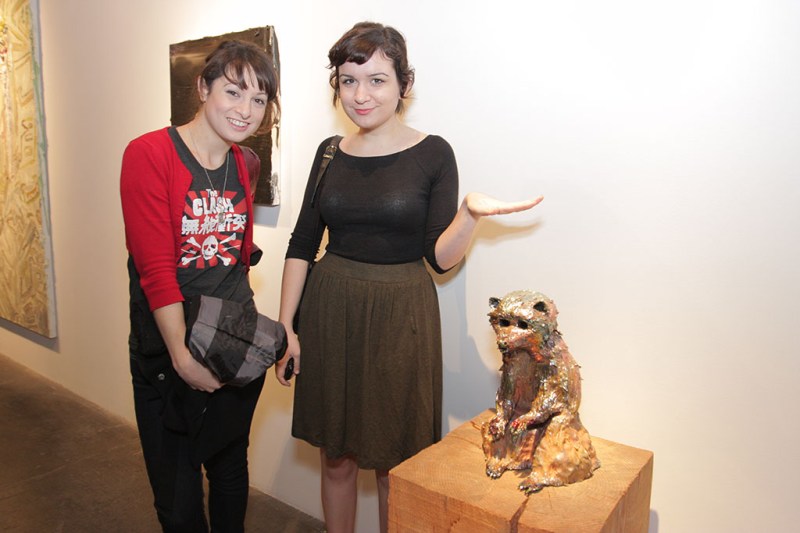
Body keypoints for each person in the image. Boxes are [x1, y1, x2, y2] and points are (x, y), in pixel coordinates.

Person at [275, 21, 543, 533]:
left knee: (397, 463)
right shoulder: (329, 152)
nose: (361, 95)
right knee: (336, 457)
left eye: (376, 80)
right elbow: (302, 243)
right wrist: (286, 326)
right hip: (331, 311)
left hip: (402, 317)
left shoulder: (433, 153)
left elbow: (439, 259)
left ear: (404, 83)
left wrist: (469, 214)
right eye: (348, 81)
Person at [120, 40, 280, 532]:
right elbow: (155, 271)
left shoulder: (245, 162)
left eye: (258, 99)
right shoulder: (150, 154)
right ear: (203, 87)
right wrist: (182, 358)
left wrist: (259, 336)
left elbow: (237, 259)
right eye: (233, 92)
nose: (245, 110)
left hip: (229, 340)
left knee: (230, 470)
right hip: (171, 345)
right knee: (178, 493)